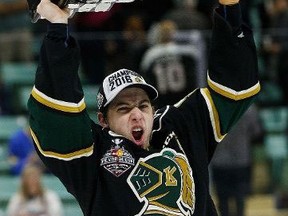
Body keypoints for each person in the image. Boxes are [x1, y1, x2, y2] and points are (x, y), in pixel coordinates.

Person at [27, 0, 260, 215]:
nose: (137, 114)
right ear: (103, 120)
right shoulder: (93, 155)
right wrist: (58, 27)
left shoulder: (179, 129)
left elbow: (233, 88)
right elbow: (55, 118)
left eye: (143, 105)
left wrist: (231, 8)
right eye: (123, 108)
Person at [140, 19, 207, 108]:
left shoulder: (150, 55)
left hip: (161, 101)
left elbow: (145, 78)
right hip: (185, 99)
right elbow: (196, 76)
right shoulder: (187, 53)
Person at [211, 104, 263, 216]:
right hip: (241, 160)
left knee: (223, 199)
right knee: (240, 198)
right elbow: (256, 132)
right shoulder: (248, 108)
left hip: (219, 160)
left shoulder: (214, 107)